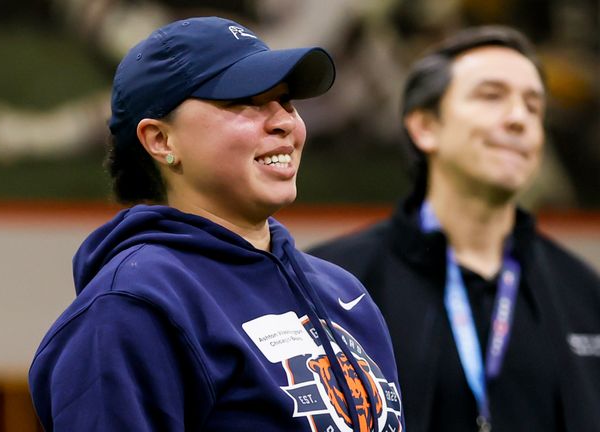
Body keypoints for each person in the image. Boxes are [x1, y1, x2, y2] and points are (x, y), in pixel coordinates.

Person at [28, 16, 405, 432]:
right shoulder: (130, 308)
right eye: (244, 101)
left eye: (286, 101)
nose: (284, 122)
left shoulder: (344, 294)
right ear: (161, 140)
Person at [309, 26, 600, 432]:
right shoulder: (331, 284)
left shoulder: (585, 293)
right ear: (424, 127)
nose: (519, 118)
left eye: (534, 106)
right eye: (491, 96)